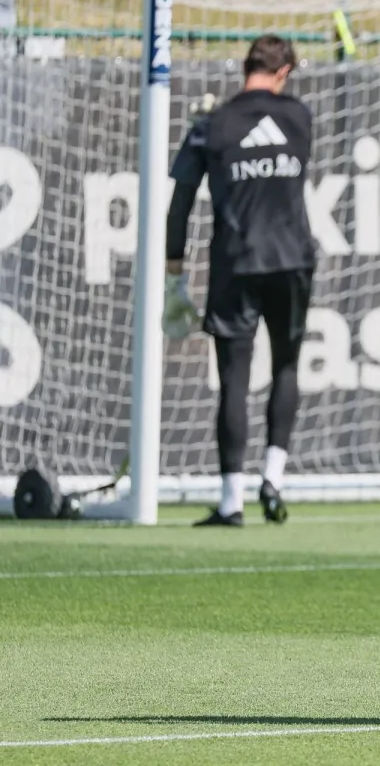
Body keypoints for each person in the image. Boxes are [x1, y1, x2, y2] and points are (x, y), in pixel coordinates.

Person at [162, 34, 316, 527]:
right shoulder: (300, 118)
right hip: (292, 260)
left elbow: (179, 204)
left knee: (233, 379)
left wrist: (174, 274)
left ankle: (231, 502)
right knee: (286, 365)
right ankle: (274, 477)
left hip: (237, 262)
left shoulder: (212, 125)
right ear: (284, 72)